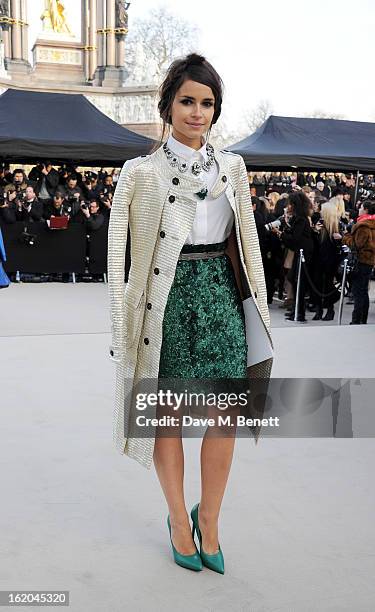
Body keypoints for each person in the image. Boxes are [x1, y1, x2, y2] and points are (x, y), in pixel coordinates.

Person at [107, 53, 273, 575]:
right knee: (169, 419)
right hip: (167, 300)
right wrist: (122, 322)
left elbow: (246, 246)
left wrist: (259, 311)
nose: (197, 112)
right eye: (187, 101)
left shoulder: (234, 168)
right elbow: (119, 256)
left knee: (225, 416)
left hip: (221, 298)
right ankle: (180, 520)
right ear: (168, 105)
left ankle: (213, 520)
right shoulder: (141, 173)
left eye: (207, 103)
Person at [276, 191, 314, 322]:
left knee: (298, 282)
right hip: (301, 253)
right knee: (294, 279)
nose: (288, 206)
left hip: (303, 254)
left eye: (290, 204)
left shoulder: (301, 220)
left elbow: (295, 239)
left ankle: (299, 312)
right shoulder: (300, 219)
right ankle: (296, 310)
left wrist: (281, 234)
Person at [342, 200, 375, 324]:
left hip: (360, 261)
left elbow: (357, 244)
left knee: (358, 291)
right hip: (369, 261)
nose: (359, 209)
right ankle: (362, 319)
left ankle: (356, 320)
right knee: (363, 291)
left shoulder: (364, 225)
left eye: (360, 207)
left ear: (366, 209)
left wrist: (345, 237)